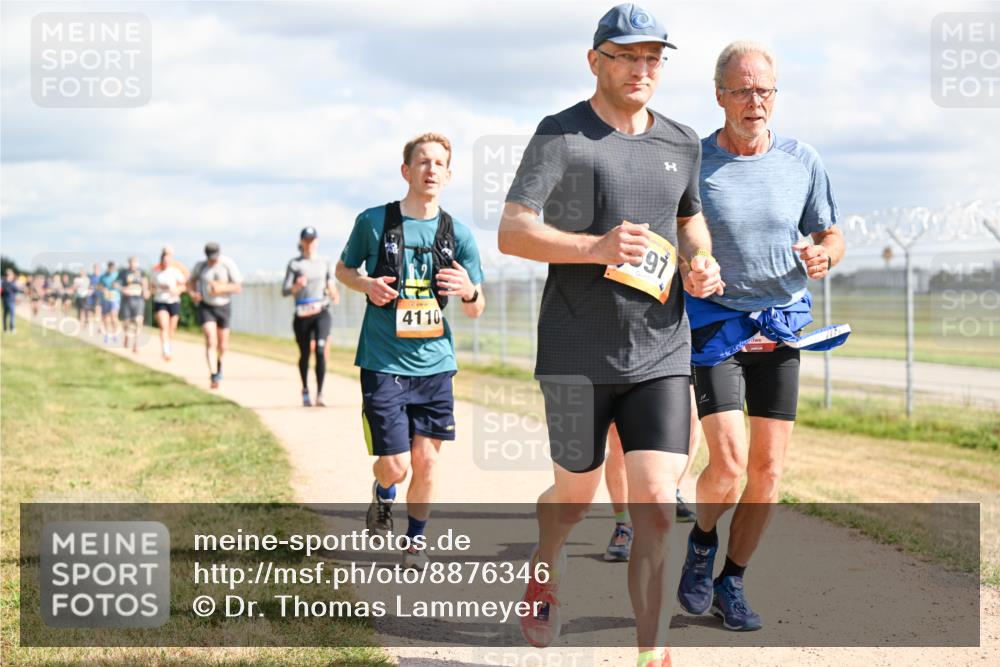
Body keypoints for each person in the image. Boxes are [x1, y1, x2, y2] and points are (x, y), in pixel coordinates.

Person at [497, 5, 723, 665]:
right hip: (575, 350)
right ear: (595, 60)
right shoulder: (561, 134)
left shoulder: (681, 141)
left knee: (654, 501)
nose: (642, 69)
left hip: (660, 348)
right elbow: (512, 231)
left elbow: (690, 221)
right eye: (627, 55)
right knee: (574, 494)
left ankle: (649, 652)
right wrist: (594, 246)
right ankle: (545, 561)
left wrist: (700, 260)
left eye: (654, 57)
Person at [676, 41, 847, 633]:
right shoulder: (691, 161)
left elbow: (830, 234)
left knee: (769, 472)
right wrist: (691, 266)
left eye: (766, 90)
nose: (757, 101)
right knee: (727, 461)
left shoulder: (803, 160)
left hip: (780, 328)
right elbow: (670, 240)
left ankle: (732, 580)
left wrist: (823, 255)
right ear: (720, 95)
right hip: (717, 326)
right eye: (744, 90)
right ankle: (702, 543)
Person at [336, 132, 485, 571]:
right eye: (423, 161)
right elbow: (344, 269)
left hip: (436, 364)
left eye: (439, 163)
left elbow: (478, 308)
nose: (431, 169)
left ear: (449, 174)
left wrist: (469, 291)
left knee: (427, 460)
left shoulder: (458, 234)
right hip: (383, 362)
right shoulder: (374, 222)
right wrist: (366, 284)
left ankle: (415, 542)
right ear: (407, 171)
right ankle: (383, 493)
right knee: (397, 466)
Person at [603, 385, 700, 562]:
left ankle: (673, 490)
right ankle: (623, 523)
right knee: (618, 437)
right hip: (626, 361)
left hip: (686, 358)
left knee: (692, 416)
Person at [283, 227, 341, 407]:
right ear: (301, 242)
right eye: (306, 240)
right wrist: (296, 286)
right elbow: (285, 290)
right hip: (302, 314)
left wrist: (333, 292)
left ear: (317, 241)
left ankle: (321, 393)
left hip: (321, 311)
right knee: (305, 354)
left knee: (321, 350)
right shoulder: (295, 264)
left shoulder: (324, 262)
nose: (309, 243)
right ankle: (305, 390)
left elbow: (331, 283)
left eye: (312, 239)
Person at [189, 243, 242, 389]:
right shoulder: (200, 266)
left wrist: (220, 288)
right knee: (211, 340)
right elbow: (190, 281)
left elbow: (238, 287)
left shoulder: (228, 264)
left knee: (223, 345)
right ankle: (213, 374)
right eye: (211, 258)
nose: (213, 261)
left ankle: (219, 365)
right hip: (206, 306)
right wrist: (194, 293)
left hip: (224, 306)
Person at [152, 246, 188, 361]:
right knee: (164, 326)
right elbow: (151, 285)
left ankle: (168, 345)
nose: (166, 263)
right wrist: (155, 290)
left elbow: (184, 285)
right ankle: (165, 350)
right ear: (161, 260)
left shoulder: (175, 271)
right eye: (164, 260)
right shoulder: (156, 272)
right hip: (161, 301)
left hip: (174, 302)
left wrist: (177, 290)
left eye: (169, 260)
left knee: (172, 329)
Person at [118, 256, 149, 353]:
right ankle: (127, 337)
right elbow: (116, 284)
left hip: (139, 299)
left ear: (137, 263)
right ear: (129, 263)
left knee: (138, 321)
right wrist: (122, 289)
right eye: (131, 262)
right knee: (126, 322)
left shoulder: (141, 272)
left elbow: (145, 283)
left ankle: (136, 344)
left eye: (134, 262)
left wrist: (146, 291)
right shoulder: (123, 273)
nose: (133, 264)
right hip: (127, 300)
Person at [98, 261, 122, 344]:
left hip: (115, 299)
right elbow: (99, 286)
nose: (111, 269)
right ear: (108, 267)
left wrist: (117, 286)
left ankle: (115, 334)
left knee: (113, 316)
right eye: (110, 268)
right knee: (106, 318)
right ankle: (107, 335)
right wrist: (103, 289)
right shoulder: (103, 276)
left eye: (113, 268)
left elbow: (121, 285)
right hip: (106, 299)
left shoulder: (117, 275)